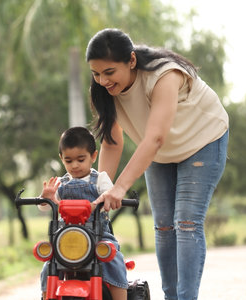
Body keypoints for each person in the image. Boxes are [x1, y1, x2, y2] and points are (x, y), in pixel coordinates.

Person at [85, 28, 229, 300]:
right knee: (163, 226)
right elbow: (112, 142)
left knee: (186, 222)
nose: (102, 80)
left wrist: (121, 187)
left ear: (131, 60)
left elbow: (156, 136)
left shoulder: (164, 75)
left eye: (109, 72)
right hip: (160, 153)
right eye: (96, 73)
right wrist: (100, 188)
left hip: (203, 142)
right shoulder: (103, 91)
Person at [39, 126, 129, 300]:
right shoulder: (59, 183)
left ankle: (120, 296)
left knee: (115, 260)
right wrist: (46, 198)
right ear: (61, 159)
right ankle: (46, 295)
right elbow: (45, 207)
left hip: (99, 236)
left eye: (81, 159)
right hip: (65, 240)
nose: (75, 165)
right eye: (69, 160)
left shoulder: (100, 179)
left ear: (93, 156)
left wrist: (101, 201)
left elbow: (110, 195)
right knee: (48, 265)